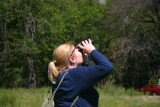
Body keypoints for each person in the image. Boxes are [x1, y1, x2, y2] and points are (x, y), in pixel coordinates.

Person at [48, 39, 114, 107]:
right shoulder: (73, 75)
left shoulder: (63, 75)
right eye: (78, 50)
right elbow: (107, 67)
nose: (82, 51)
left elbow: (91, 80)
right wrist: (92, 50)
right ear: (72, 59)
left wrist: (85, 62)